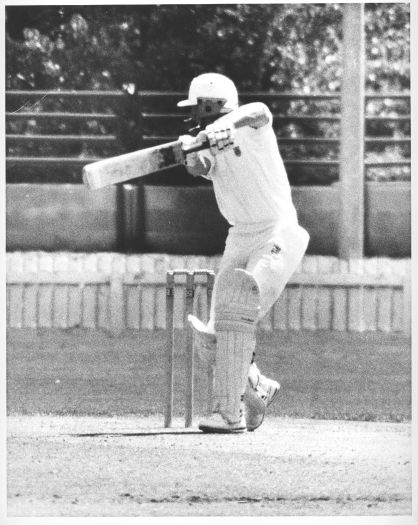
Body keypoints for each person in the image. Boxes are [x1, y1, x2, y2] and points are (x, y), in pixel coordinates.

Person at [178, 73, 309, 433]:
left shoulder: (251, 126)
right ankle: (258, 388)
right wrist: (189, 152)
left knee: (237, 313)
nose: (195, 116)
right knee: (212, 336)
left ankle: (228, 414)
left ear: (213, 106)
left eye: (200, 109)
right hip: (240, 235)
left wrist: (222, 124)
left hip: (277, 230)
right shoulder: (206, 141)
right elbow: (202, 168)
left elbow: (258, 110)